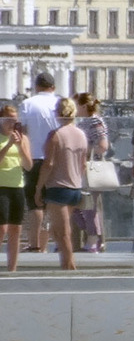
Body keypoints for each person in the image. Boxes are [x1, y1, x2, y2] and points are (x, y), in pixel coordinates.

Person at [34, 96, 87, 271]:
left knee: (62, 233)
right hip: (75, 185)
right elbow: (83, 165)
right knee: (60, 231)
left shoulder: (55, 135)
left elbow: (48, 164)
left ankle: (70, 267)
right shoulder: (81, 135)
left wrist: (39, 187)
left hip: (58, 186)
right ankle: (65, 264)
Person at [20, 71, 59, 252]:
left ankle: (35, 244)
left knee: (35, 202)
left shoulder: (27, 104)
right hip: (58, 159)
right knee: (55, 202)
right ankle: (55, 243)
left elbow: (23, 131)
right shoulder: (61, 103)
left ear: (36, 86)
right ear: (53, 87)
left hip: (35, 157)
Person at [73, 93, 109, 253]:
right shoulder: (86, 121)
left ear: (83, 106)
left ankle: (93, 239)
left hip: (91, 167)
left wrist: (82, 149)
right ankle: (92, 236)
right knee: (80, 206)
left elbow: (102, 145)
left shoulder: (94, 121)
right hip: (83, 167)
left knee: (90, 206)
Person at [0, 104, 34, 271]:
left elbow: (28, 165)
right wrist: (7, 145)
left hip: (17, 185)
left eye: (15, 121)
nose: (11, 124)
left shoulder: (23, 138)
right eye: (8, 120)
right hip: (1, 186)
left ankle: (12, 268)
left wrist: (20, 146)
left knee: (16, 228)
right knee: (1, 228)